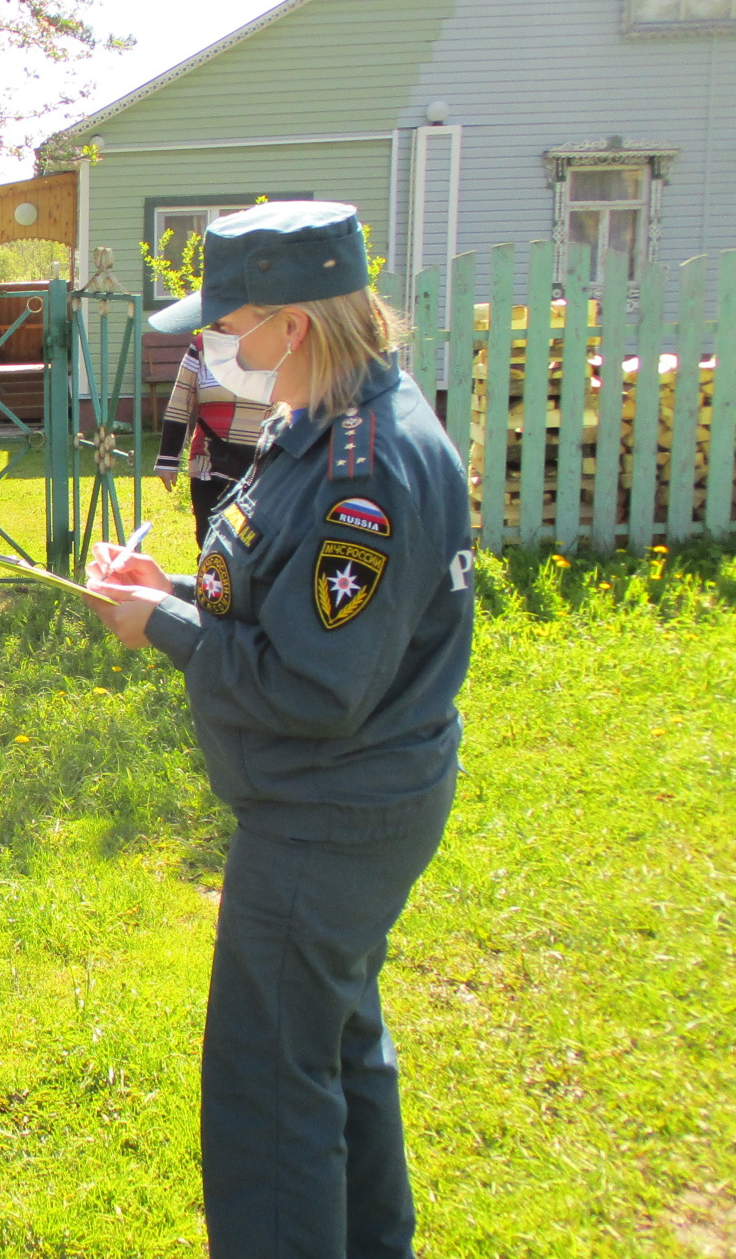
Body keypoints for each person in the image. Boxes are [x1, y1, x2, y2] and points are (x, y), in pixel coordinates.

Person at [82, 202, 474, 1259]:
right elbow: (274, 592)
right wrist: (163, 583)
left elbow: (313, 686)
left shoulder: (366, 472)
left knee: (266, 1086)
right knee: (335, 1047)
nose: (212, 346)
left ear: (289, 325)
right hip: (343, 802)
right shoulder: (319, 417)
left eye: (226, 324)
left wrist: (158, 628)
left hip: (325, 811)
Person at [154, 333, 272, 547]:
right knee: (210, 541)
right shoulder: (202, 346)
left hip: (264, 465)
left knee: (257, 545)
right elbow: (180, 402)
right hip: (209, 461)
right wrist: (168, 459)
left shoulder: (277, 339)